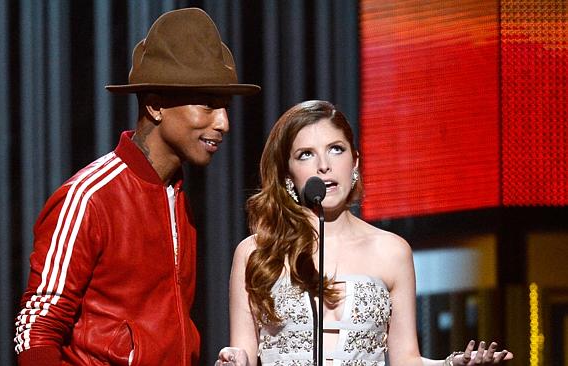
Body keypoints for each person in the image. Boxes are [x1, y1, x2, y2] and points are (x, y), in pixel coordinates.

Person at [13, 7, 260, 366]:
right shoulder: (88, 197)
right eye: (208, 105)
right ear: (156, 106)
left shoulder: (176, 198)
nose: (223, 122)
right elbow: (36, 329)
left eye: (224, 107)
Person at [215, 100, 513, 366]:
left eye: (336, 149)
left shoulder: (392, 251)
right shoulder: (256, 252)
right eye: (306, 154)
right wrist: (234, 359)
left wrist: (451, 364)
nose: (324, 166)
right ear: (286, 174)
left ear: (354, 162)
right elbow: (242, 350)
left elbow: (405, 358)